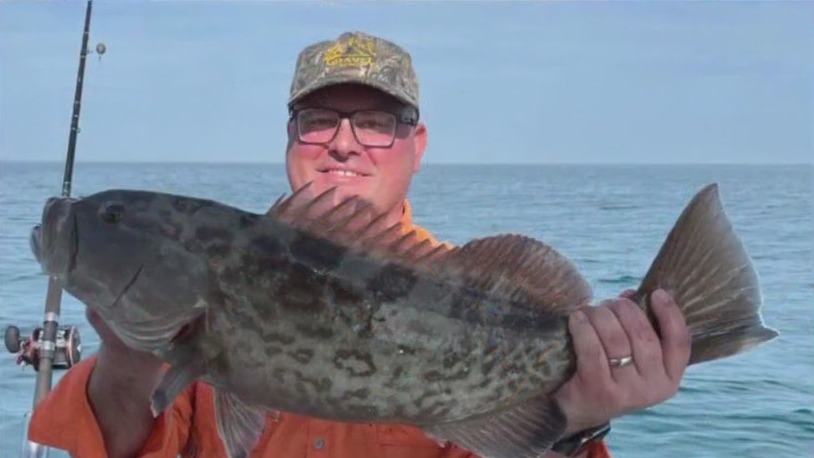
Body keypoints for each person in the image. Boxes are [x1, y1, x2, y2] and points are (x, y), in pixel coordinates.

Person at [28, 31, 691, 458]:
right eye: (318, 121)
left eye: (375, 123)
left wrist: (572, 422)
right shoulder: (192, 312)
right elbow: (116, 444)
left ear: (417, 147)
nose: (343, 142)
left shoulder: (466, 294)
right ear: (289, 138)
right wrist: (130, 355)